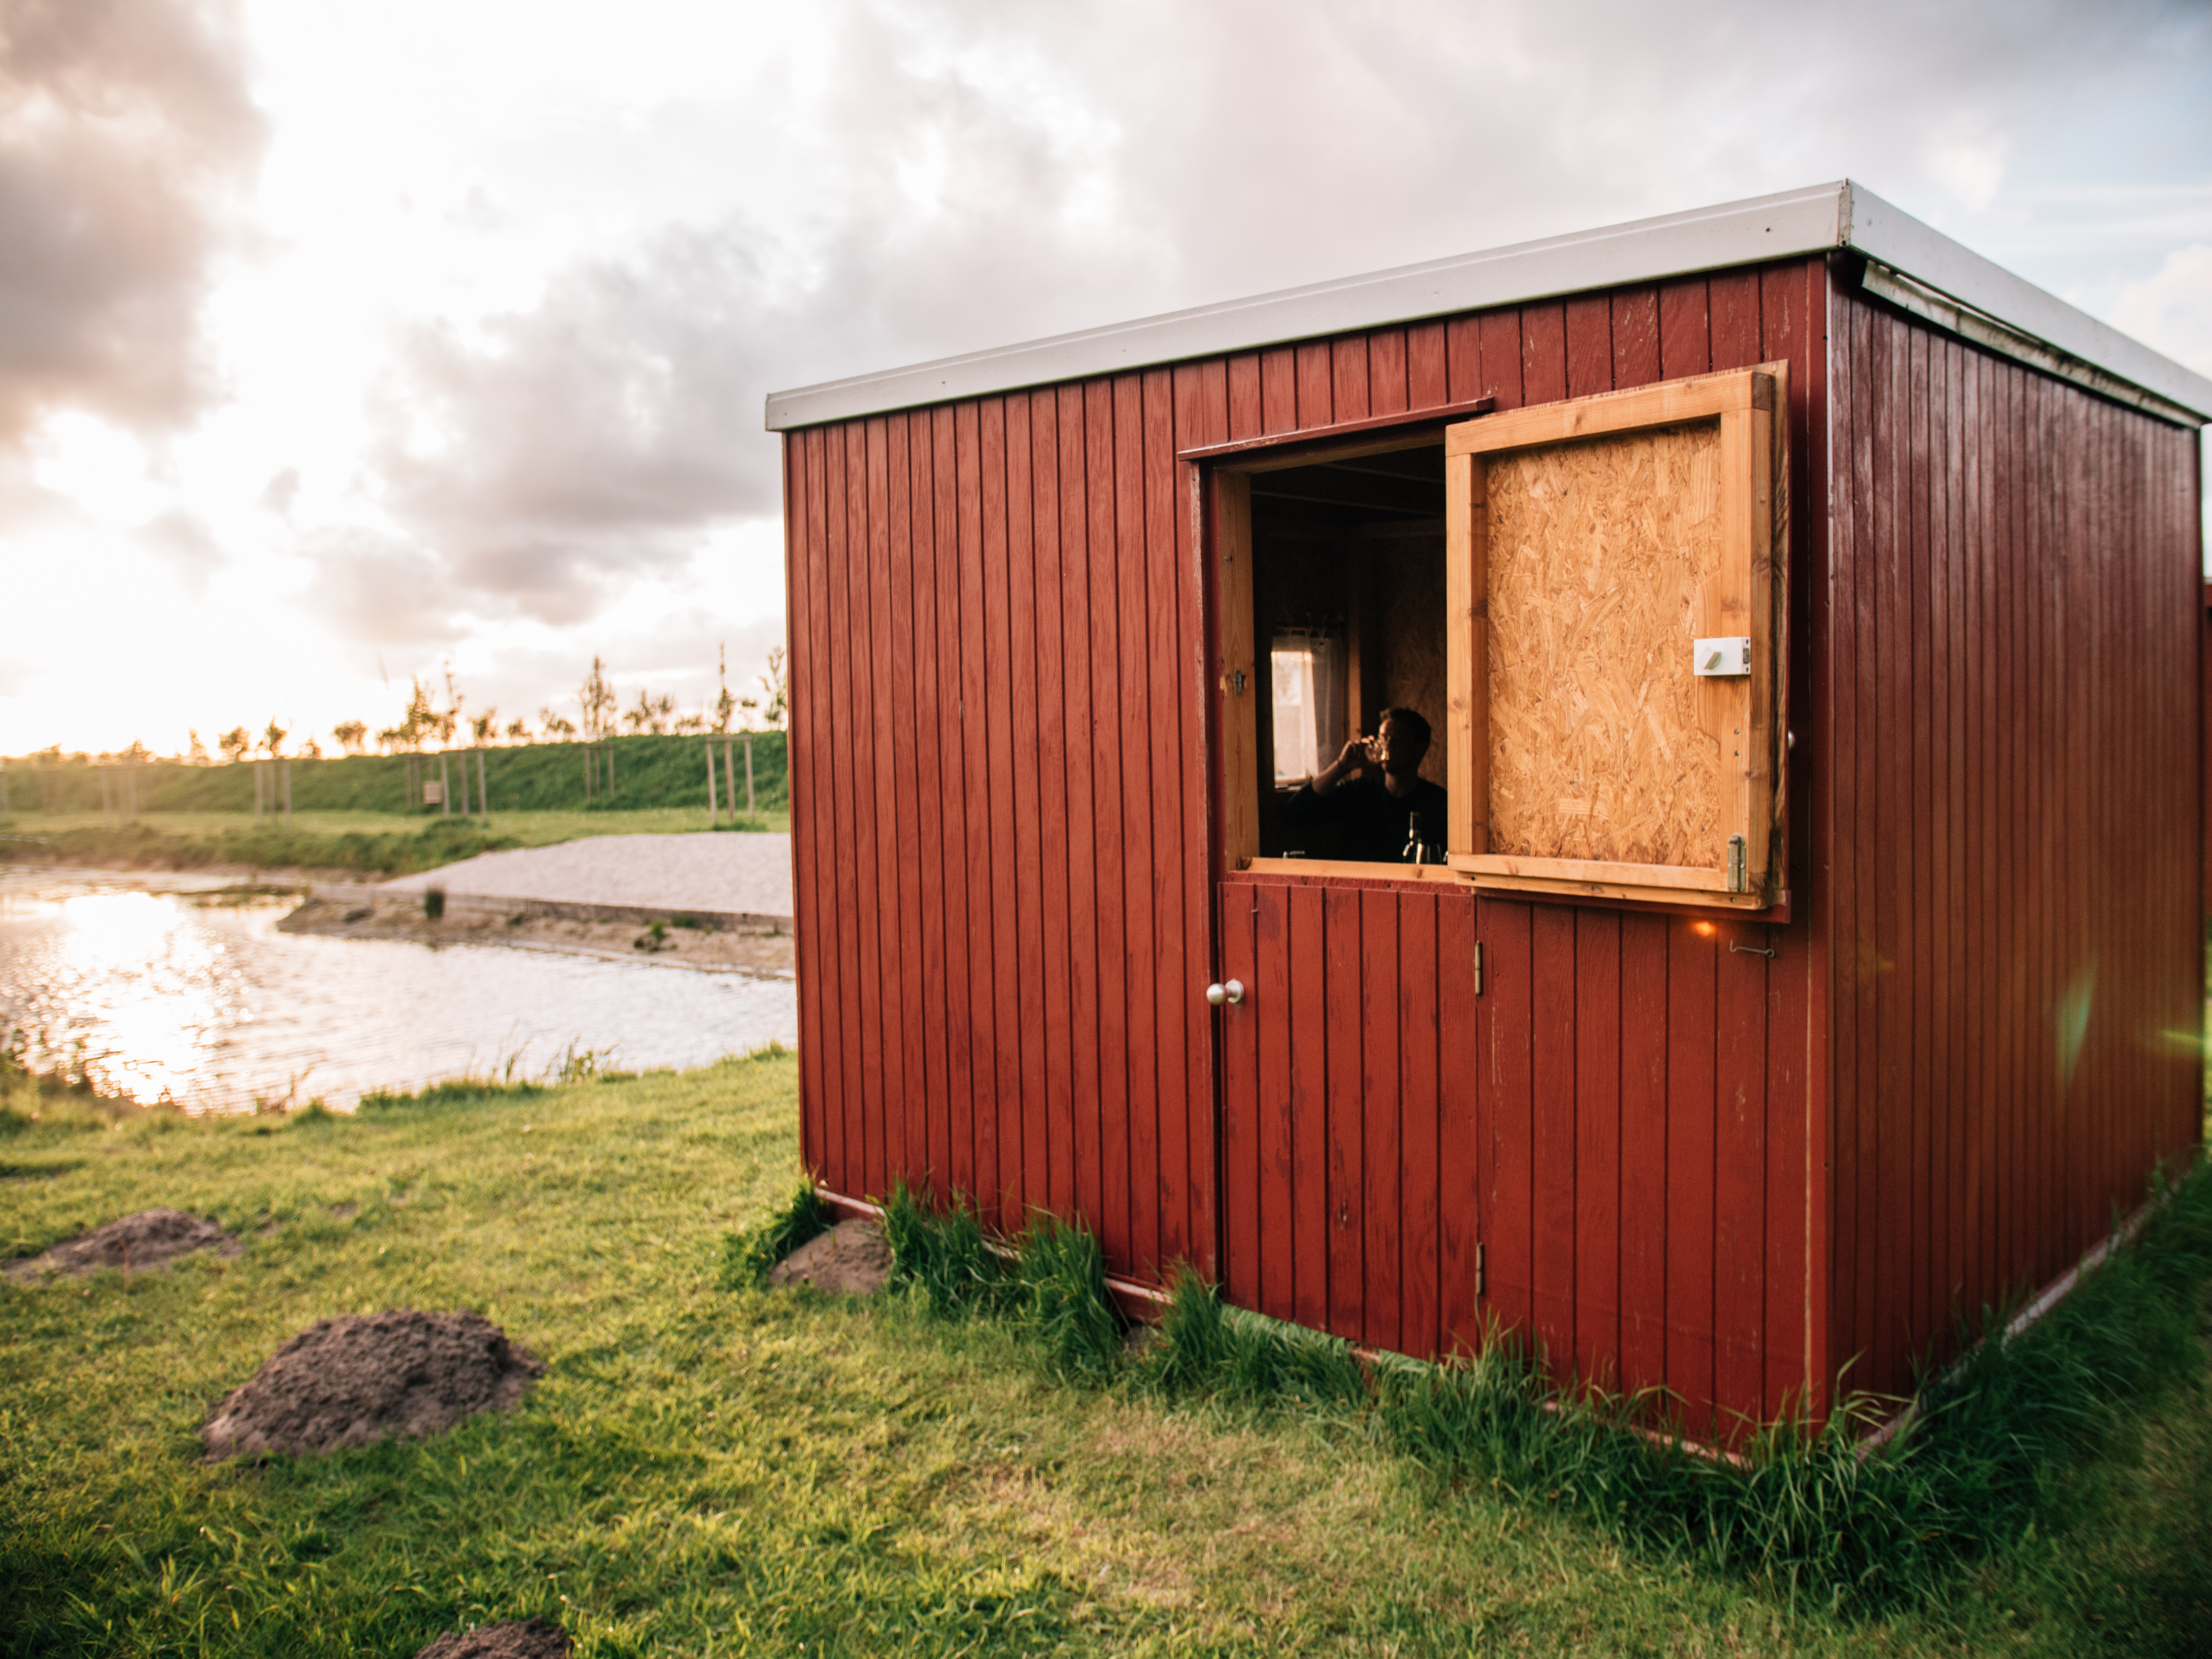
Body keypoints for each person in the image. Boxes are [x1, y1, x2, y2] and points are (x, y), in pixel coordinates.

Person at [1280, 706, 1449, 864]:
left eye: (1397, 739)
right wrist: (1342, 766)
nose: (1388, 745)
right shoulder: (1360, 792)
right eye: (1384, 738)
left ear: (1420, 749)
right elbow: (1295, 812)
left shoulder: (1437, 803)